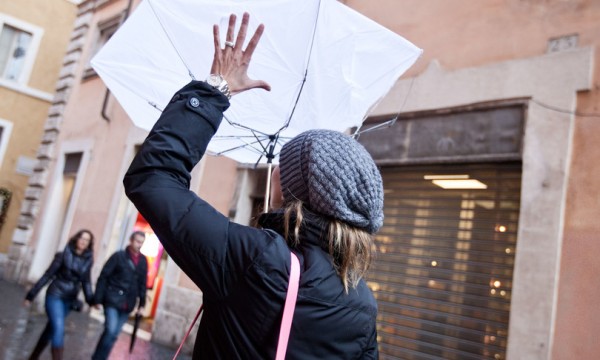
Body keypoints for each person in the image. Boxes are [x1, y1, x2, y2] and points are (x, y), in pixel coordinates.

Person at [123, 12, 382, 359]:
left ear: (291, 191)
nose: (274, 170)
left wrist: (216, 87)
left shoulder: (255, 260)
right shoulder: (363, 304)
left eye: (283, 168)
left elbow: (153, 177)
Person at [24, 229, 95, 360]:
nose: (84, 242)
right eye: (82, 238)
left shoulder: (88, 261)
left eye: (87, 240)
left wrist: (91, 301)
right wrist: (31, 295)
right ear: (76, 239)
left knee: (50, 330)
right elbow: (48, 275)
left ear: (89, 244)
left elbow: (86, 282)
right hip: (55, 295)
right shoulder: (63, 255)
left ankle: (33, 357)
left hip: (69, 300)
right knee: (59, 329)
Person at [91, 231, 148, 360]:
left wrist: (142, 304)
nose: (139, 244)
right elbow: (103, 277)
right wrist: (98, 299)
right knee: (110, 330)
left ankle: (101, 357)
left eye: (142, 242)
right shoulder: (118, 256)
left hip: (128, 303)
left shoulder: (143, 261)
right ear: (131, 240)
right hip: (112, 299)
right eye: (137, 241)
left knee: (114, 334)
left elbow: (142, 284)